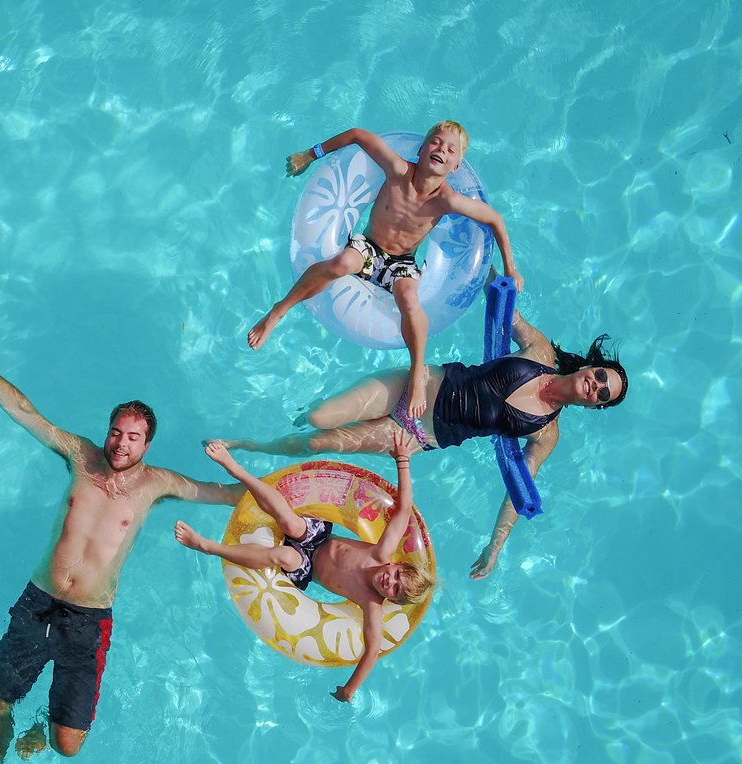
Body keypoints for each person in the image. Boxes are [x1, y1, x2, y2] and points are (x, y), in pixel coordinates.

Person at [0, 323, 243, 764]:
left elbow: (224, 493)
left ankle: (40, 730)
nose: (120, 443)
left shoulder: (159, 485)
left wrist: (289, 492)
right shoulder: (80, 455)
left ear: (147, 444)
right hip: (38, 601)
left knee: (67, 745)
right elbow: (22, 410)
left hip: (87, 620)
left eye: (133, 437)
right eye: (116, 432)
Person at [223, 302, 627, 582]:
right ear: (593, 366)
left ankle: (252, 447)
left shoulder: (545, 432)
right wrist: (486, 257)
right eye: (601, 377)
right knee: (318, 418)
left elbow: (519, 488)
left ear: (595, 407)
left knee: (318, 444)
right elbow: (503, 304)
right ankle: (267, 439)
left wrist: (496, 545)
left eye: (602, 395)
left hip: (415, 434)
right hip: (419, 384)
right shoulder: (540, 351)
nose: (596, 387)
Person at [247, 122, 524, 422]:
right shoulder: (398, 170)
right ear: (421, 148)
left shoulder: (448, 201)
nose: (440, 150)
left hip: (401, 262)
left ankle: (417, 373)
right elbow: (357, 134)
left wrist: (511, 268)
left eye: (449, 150)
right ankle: (279, 310)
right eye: (435, 142)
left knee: (409, 300)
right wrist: (309, 155)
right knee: (342, 264)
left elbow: (495, 220)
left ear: (456, 166)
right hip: (369, 246)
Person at [173, 435, 434, 703]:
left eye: (395, 590)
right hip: (317, 537)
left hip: (305, 566)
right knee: (291, 523)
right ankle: (235, 468)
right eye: (397, 575)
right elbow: (403, 510)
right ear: (398, 564)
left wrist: (349, 690)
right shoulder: (381, 553)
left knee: (283, 555)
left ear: (391, 599)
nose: (390, 581)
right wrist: (403, 460)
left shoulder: (371, 604)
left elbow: (372, 652)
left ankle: (207, 546)